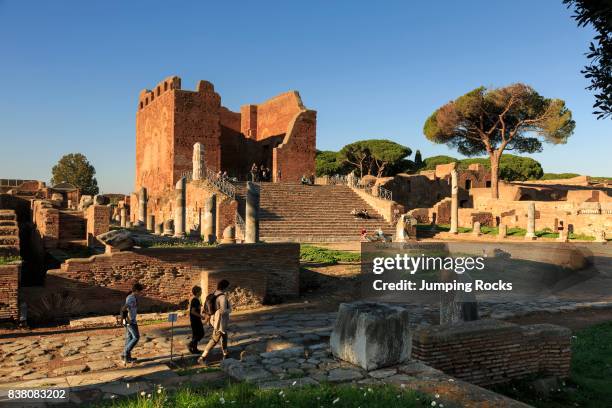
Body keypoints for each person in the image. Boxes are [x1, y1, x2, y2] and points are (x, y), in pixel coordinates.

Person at [198, 279, 232, 365]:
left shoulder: (214, 293)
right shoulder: (222, 297)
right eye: (228, 287)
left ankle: (225, 354)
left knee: (224, 336)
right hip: (220, 322)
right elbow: (223, 311)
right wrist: (230, 309)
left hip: (213, 319)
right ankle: (202, 357)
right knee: (214, 340)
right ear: (225, 287)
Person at [121, 283, 144, 363]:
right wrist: (127, 320)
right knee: (136, 337)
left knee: (129, 338)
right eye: (140, 291)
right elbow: (123, 309)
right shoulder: (130, 298)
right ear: (137, 290)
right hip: (130, 321)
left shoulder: (133, 297)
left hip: (131, 320)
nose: (141, 293)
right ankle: (125, 353)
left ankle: (127, 357)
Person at [188, 285, 205, 354]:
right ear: (198, 292)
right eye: (201, 291)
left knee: (196, 334)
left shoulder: (196, 299)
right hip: (195, 320)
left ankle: (194, 349)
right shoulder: (195, 300)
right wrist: (201, 316)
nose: (201, 292)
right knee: (201, 333)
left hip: (195, 319)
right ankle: (191, 344)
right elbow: (193, 311)